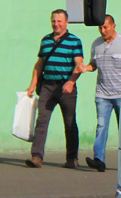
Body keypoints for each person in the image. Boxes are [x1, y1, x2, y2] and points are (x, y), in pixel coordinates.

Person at [25, 9, 85, 168]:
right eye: (53, 21)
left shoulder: (74, 41)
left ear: (67, 23)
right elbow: (39, 64)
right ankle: (36, 157)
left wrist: (71, 82)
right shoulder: (45, 40)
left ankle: (72, 159)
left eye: (59, 21)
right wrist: (32, 85)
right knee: (42, 121)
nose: (56, 24)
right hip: (47, 87)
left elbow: (79, 64)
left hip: (66, 88)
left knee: (70, 123)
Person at [80, 14, 121, 172]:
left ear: (113, 26)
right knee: (101, 126)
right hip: (102, 95)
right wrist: (86, 68)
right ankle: (99, 159)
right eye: (100, 27)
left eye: (105, 27)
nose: (102, 30)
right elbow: (94, 64)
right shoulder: (96, 44)